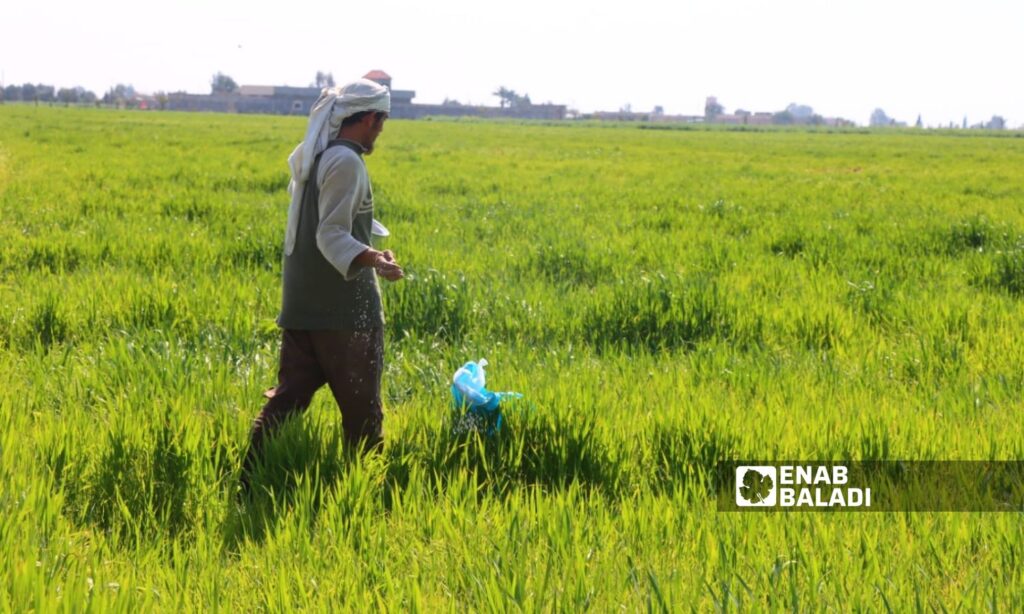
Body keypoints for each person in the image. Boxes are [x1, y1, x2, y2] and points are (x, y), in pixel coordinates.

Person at [241, 79, 403, 489]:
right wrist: (376, 259)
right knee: (363, 413)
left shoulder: (318, 156)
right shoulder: (347, 162)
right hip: (343, 311)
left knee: (287, 401)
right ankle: (363, 491)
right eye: (382, 121)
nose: (381, 130)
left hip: (302, 306)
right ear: (368, 119)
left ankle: (247, 480)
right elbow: (331, 234)